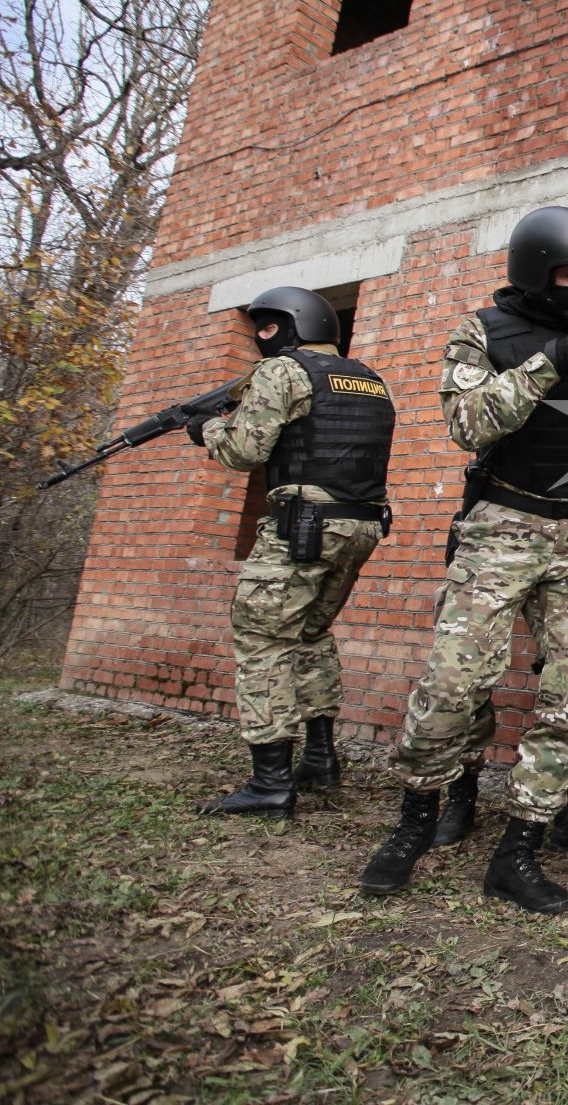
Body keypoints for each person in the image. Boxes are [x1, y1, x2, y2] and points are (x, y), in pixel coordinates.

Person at [357, 206, 568, 915]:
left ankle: (520, 849)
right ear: (536, 273)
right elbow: (469, 423)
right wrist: (551, 362)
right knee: (452, 684)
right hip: (503, 525)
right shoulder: (484, 332)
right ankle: (415, 822)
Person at [191, 286, 395, 820]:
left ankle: (270, 783)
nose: (261, 338)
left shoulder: (282, 373)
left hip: (303, 529)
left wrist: (206, 427)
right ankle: (321, 759)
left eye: (267, 326)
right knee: (310, 634)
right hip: (361, 527)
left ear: (294, 325)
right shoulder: (370, 380)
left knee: (262, 643)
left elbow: (243, 451)